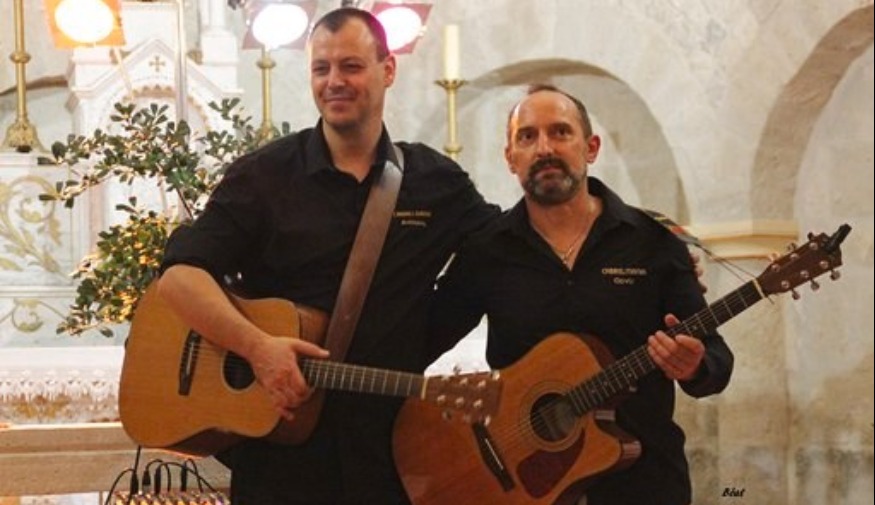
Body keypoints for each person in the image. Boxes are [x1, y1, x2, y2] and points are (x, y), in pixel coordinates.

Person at [157, 7, 499, 504]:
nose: (334, 81)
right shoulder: (263, 176)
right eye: (322, 68)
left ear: (388, 70)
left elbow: (505, 253)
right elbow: (178, 277)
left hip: (387, 453)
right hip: (279, 458)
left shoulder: (436, 183)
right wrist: (258, 348)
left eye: (351, 66)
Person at [426, 84, 734, 505]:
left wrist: (695, 366)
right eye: (527, 136)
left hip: (642, 484)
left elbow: (716, 358)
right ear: (510, 158)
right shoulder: (486, 251)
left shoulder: (654, 242)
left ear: (591, 148)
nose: (544, 148)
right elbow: (421, 338)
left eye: (560, 132)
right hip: (525, 486)